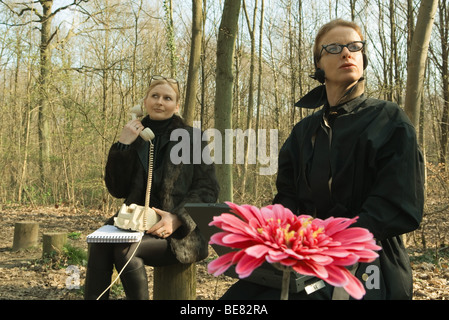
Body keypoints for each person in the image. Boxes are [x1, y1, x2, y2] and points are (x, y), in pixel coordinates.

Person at [221, 19, 424, 300]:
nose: (346, 52)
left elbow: (399, 205)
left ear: (363, 57)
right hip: (301, 257)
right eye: (334, 47)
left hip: (370, 262)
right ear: (318, 65)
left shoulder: (389, 120)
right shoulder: (303, 132)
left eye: (355, 46)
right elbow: (287, 200)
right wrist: (272, 236)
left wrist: (329, 241)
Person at [84, 75, 220, 300]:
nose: (160, 102)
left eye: (167, 98)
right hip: (135, 222)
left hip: (178, 234)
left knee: (125, 251)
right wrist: (123, 145)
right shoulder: (134, 136)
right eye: (154, 96)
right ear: (144, 102)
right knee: (99, 244)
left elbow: (208, 189)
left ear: (176, 106)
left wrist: (178, 218)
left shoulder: (192, 138)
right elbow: (117, 190)